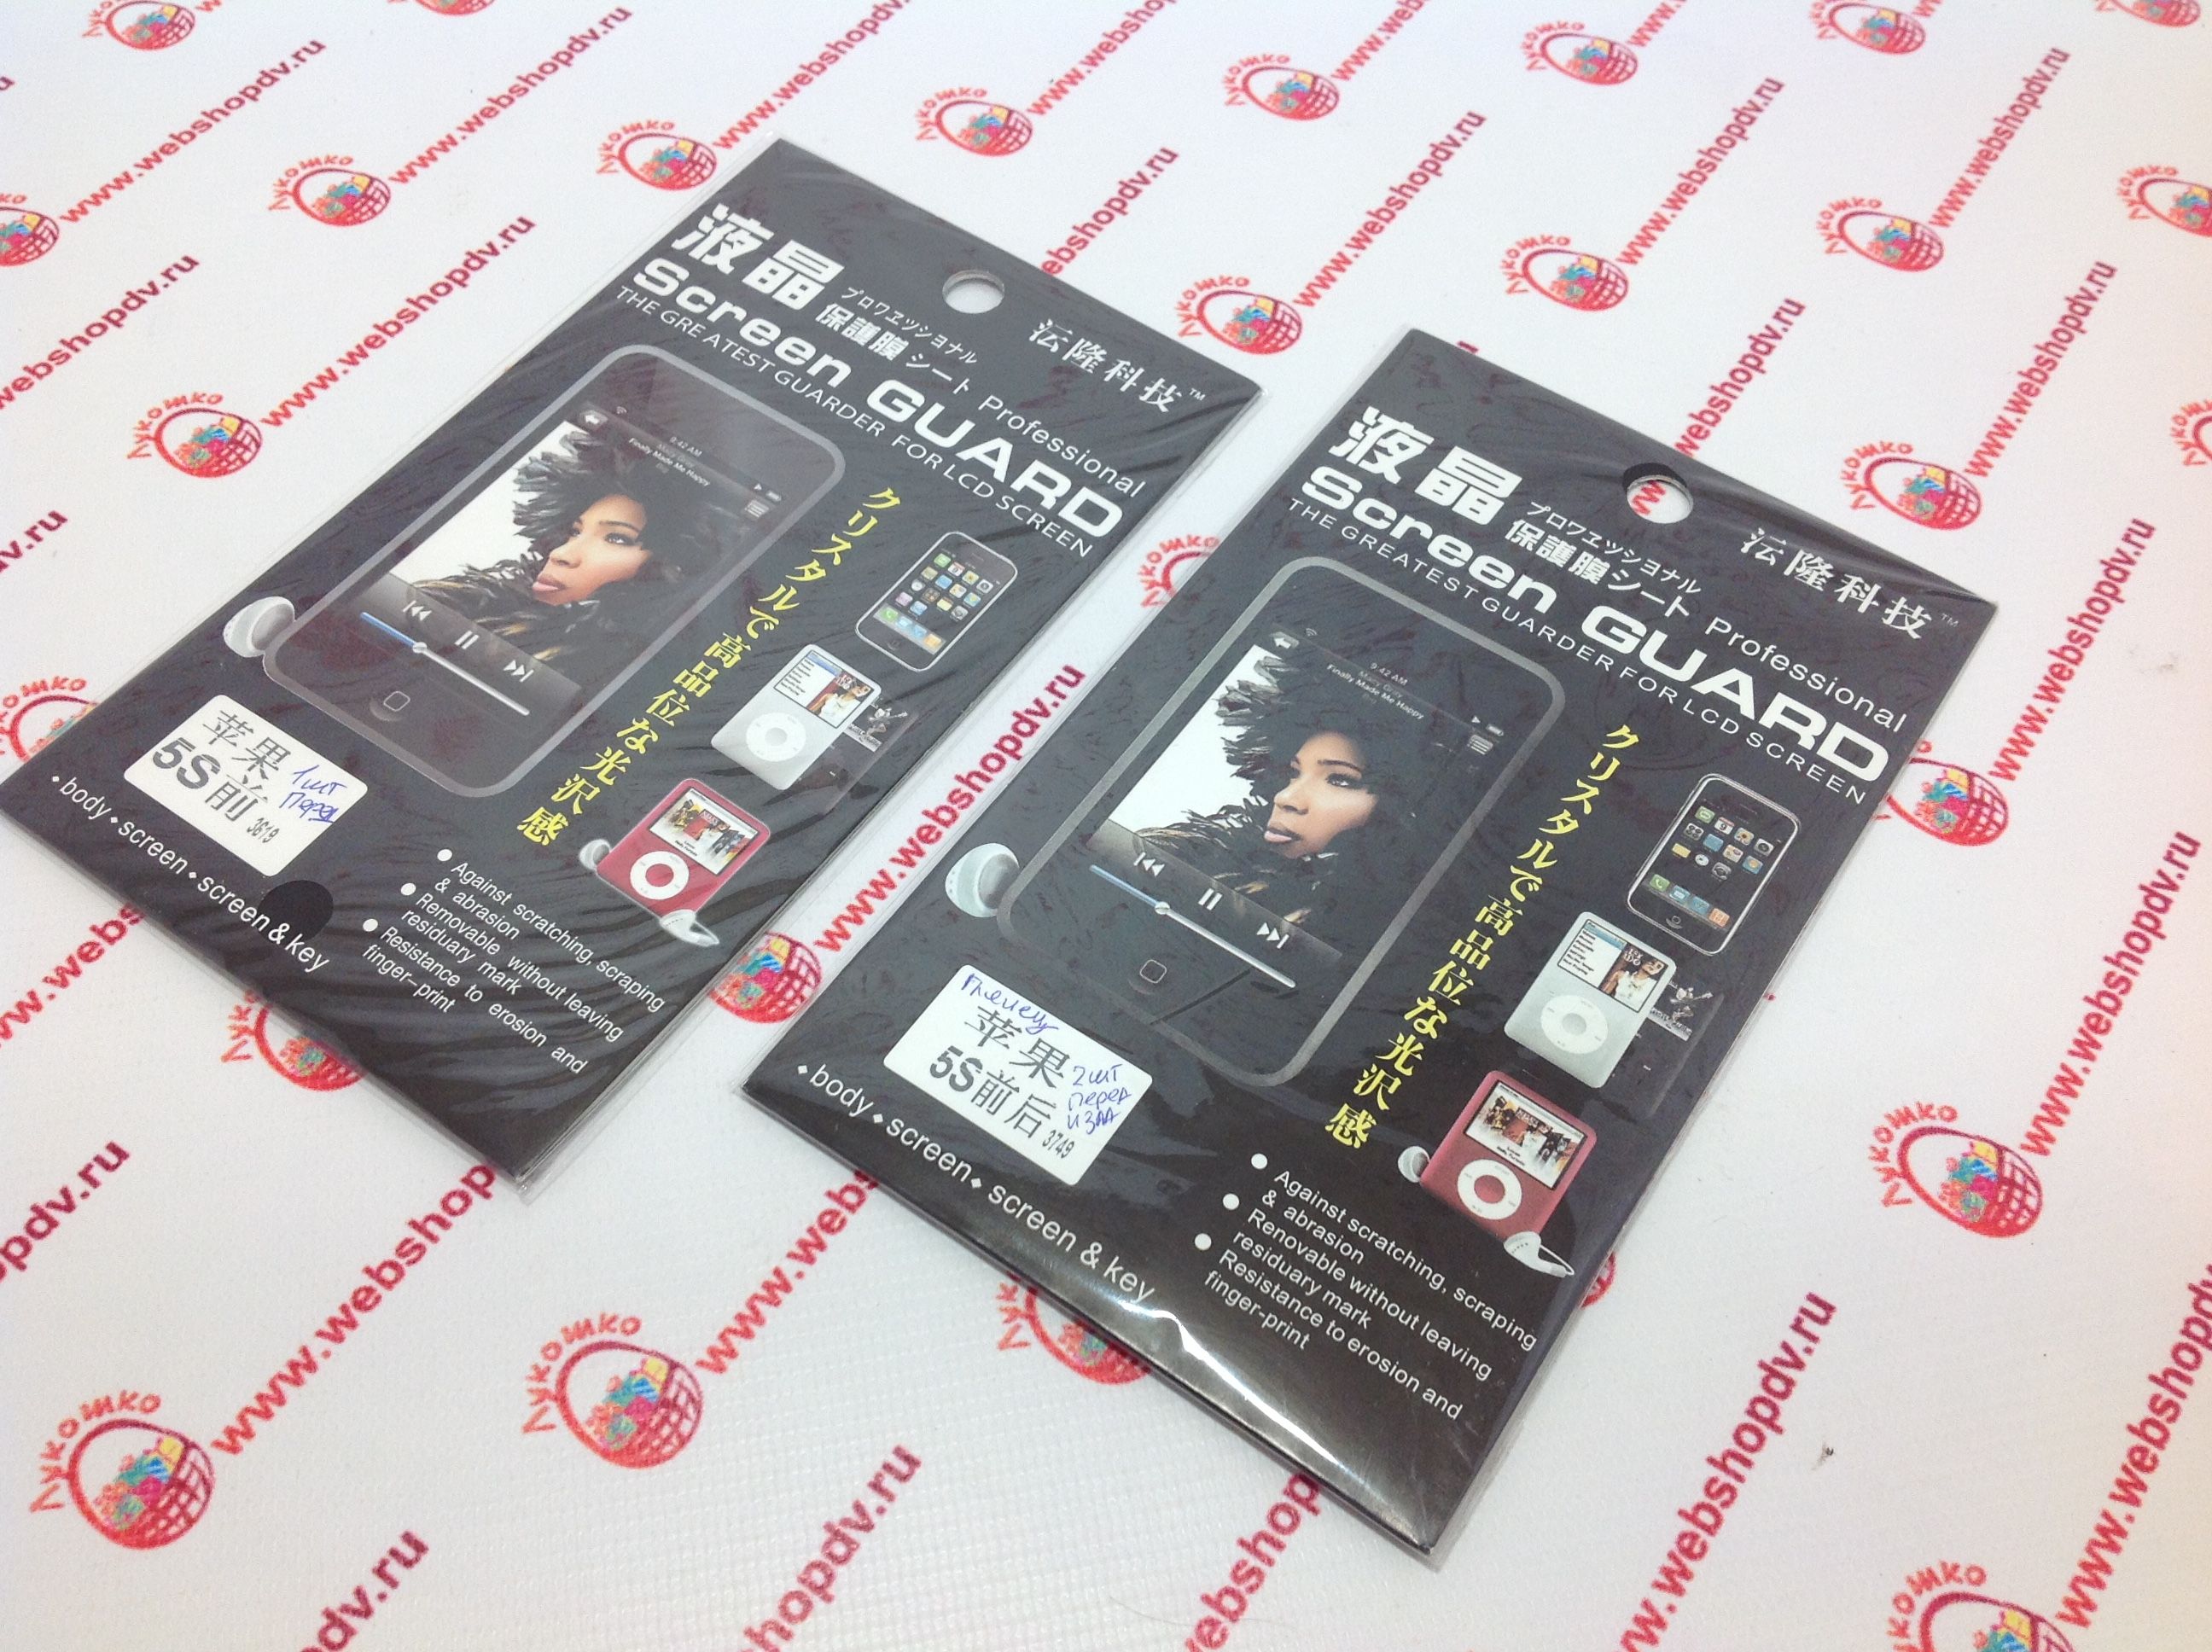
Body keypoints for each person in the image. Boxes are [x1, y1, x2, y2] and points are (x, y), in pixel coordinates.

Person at [1134, 646, 1440, 947]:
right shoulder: (1193, 855)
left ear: (1400, 807)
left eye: (1340, 780)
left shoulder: (1388, 930)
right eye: (1293, 773)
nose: (1286, 798)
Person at [412, 423, 726, 682]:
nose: (562, 554)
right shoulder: (468, 605)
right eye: (575, 532)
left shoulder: (618, 674)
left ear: (671, 565)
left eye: (617, 538)